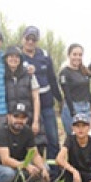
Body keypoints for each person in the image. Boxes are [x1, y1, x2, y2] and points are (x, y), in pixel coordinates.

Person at [20, 26, 63, 163]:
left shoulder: (44, 55)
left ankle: (53, 169)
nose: (30, 42)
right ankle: (34, 169)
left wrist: (60, 99)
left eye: (33, 39)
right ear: (22, 39)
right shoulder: (18, 56)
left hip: (47, 103)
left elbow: (52, 78)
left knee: (53, 138)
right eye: (28, 38)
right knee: (33, 139)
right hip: (28, 105)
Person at [3, 46, 41, 135]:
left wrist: (36, 121)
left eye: (17, 57)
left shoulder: (29, 74)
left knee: (32, 142)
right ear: (6, 59)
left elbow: (36, 98)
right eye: (11, 56)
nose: (14, 59)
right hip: (10, 120)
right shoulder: (2, 76)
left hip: (28, 118)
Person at [59, 43, 91, 137]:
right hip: (72, 107)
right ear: (69, 55)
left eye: (80, 55)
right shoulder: (64, 73)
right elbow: (66, 93)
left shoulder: (84, 71)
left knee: (87, 136)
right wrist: (73, 111)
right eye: (74, 54)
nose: (77, 57)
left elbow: (88, 90)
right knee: (73, 137)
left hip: (86, 107)